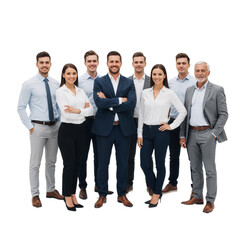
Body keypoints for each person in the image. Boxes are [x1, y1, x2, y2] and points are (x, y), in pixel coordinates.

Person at [180, 61, 228, 213]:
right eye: (197, 71)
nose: (199, 73)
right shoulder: (189, 90)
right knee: (195, 168)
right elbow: (185, 115)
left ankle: (210, 200)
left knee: (209, 169)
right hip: (191, 134)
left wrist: (214, 133)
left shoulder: (217, 90)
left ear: (208, 72)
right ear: (194, 72)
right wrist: (182, 135)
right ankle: (197, 195)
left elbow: (224, 114)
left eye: (202, 71)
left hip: (208, 133)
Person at [17, 51, 63, 208]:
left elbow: (59, 106)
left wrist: (60, 123)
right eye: (41, 62)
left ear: (51, 64)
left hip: (54, 127)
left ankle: (50, 190)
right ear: (37, 64)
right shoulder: (28, 84)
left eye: (47, 62)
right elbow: (21, 107)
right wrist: (30, 127)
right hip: (38, 128)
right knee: (35, 163)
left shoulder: (56, 83)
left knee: (52, 161)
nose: (44, 65)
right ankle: (35, 194)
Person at [137, 64, 186, 208]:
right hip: (146, 130)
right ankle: (155, 187)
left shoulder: (169, 93)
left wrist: (171, 126)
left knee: (160, 164)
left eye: (159, 74)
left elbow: (182, 111)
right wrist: (139, 134)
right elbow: (140, 114)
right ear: (151, 76)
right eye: (154, 74)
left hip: (161, 132)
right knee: (144, 163)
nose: (157, 77)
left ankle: (156, 194)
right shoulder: (145, 92)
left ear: (164, 76)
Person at [92, 51, 136, 208]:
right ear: (107, 63)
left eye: (117, 61)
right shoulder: (99, 81)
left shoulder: (128, 82)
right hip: (104, 130)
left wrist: (109, 103)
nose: (114, 64)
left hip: (124, 129)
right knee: (102, 163)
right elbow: (99, 103)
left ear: (121, 63)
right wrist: (118, 101)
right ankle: (102, 195)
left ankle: (122, 194)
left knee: (123, 163)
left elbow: (131, 103)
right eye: (111, 61)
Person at [56, 63, 93, 211]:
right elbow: (65, 114)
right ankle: (66, 196)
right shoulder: (60, 92)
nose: (71, 76)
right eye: (68, 73)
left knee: (78, 163)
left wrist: (77, 110)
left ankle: (73, 194)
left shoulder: (80, 91)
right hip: (67, 131)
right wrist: (82, 110)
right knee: (69, 164)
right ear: (63, 75)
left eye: (74, 73)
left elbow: (90, 110)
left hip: (81, 130)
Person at [78, 50, 113, 200]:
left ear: (98, 63)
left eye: (94, 61)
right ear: (85, 63)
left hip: (102, 121)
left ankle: (100, 185)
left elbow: (110, 99)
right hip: (85, 121)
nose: (92, 63)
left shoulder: (106, 80)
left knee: (100, 156)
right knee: (82, 155)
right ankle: (83, 187)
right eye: (89, 61)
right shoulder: (79, 80)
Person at [162, 53, 196, 193]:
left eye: (183, 63)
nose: (181, 65)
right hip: (173, 122)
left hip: (190, 123)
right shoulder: (170, 82)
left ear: (188, 64)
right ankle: (172, 183)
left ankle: (196, 186)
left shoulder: (195, 82)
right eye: (178, 63)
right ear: (176, 65)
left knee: (193, 157)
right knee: (173, 155)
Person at [127, 52, 151, 194]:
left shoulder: (152, 80)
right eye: (136, 62)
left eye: (141, 62)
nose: (138, 64)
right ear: (132, 64)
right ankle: (128, 183)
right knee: (129, 155)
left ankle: (150, 183)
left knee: (147, 155)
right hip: (130, 121)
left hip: (147, 122)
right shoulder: (127, 81)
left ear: (145, 64)